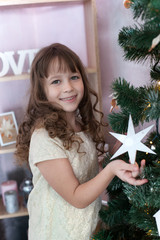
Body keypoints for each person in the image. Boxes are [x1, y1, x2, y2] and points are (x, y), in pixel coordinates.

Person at [15, 43, 148, 240]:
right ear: (42, 91)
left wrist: (114, 159)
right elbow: (77, 197)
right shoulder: (45, 137)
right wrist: (112, 170)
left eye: (74, 77)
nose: (68, 87)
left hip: (85, 229)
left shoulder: (79, 127)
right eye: (56, 82)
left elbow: (84, 173)